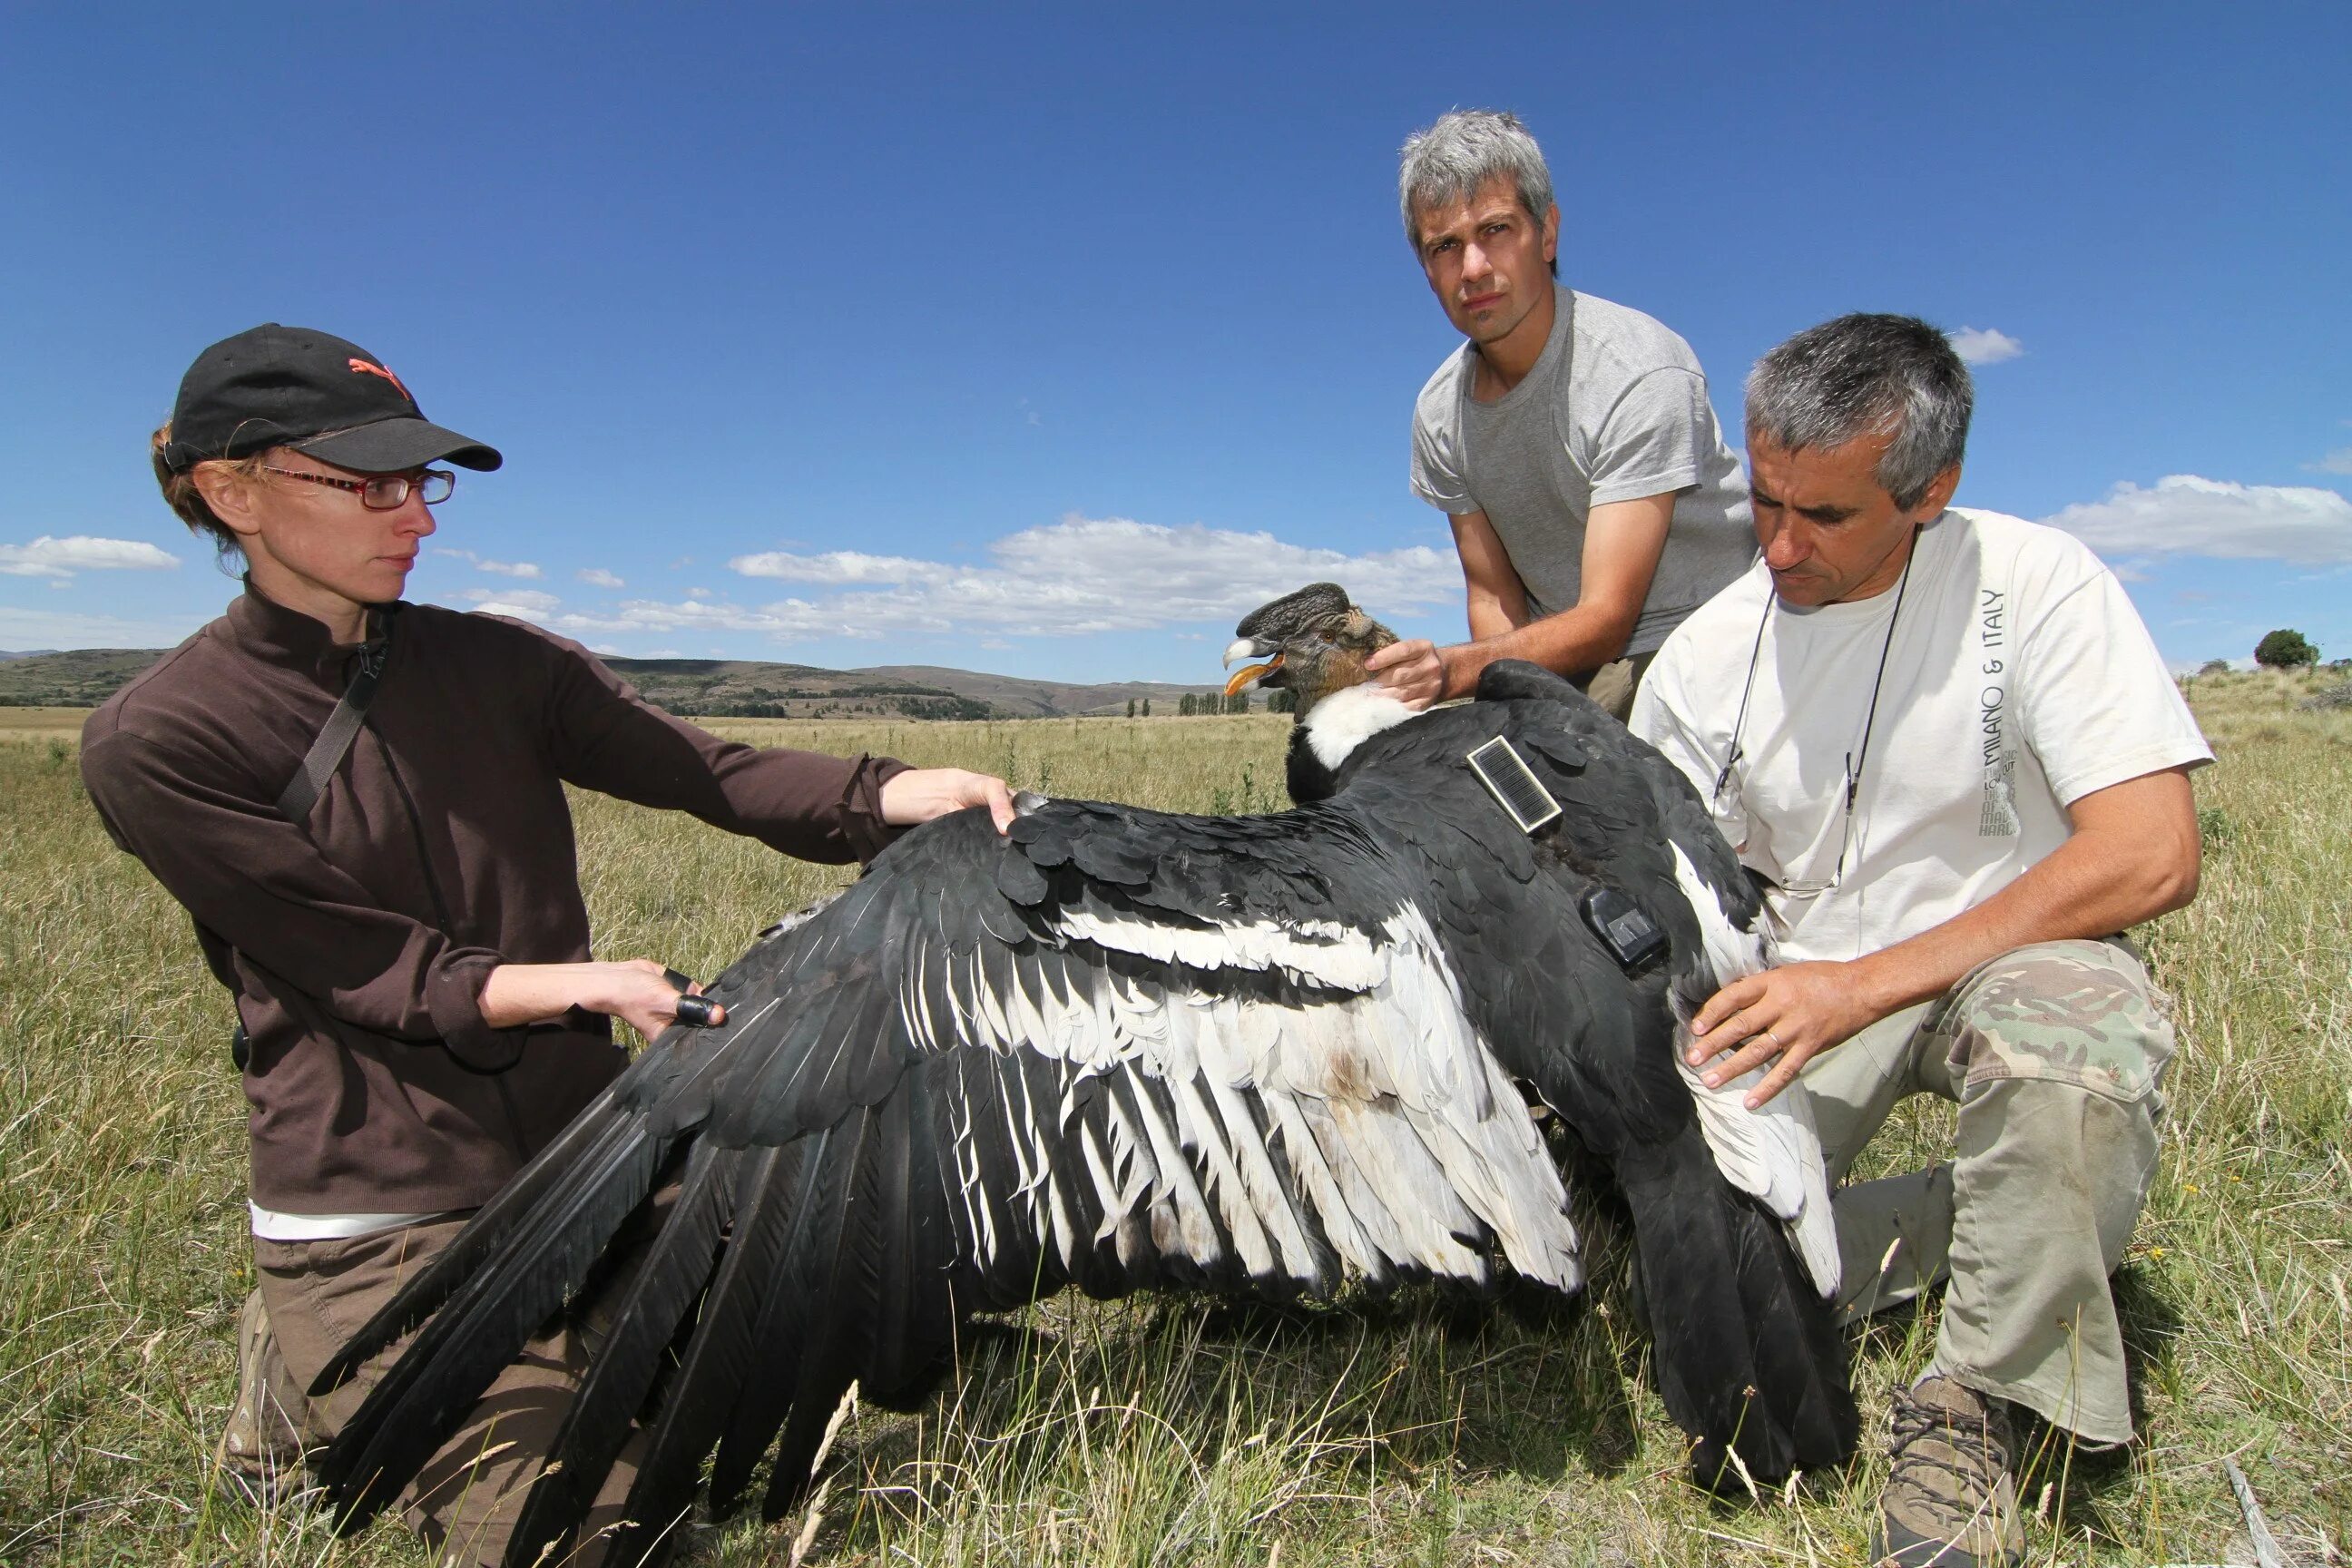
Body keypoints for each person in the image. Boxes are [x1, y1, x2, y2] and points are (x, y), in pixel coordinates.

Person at [81, 323, 1014, 1564]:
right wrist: (583, 985)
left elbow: (709, 771)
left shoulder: (499, 665)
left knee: (941, 1327)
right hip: (385, 1229)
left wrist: (895, 790)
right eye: (367, 484)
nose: (414, 515)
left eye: (424, 481)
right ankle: (319, 1361)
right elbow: (373, 968)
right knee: (600, 1534)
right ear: (229, 489)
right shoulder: (159, 738)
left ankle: (382, 1380)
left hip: (596, 1178)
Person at [1630, 314, 2209, 1568]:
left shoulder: (2037, 583)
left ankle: (1978, 1407)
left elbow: (2152, 852)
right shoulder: (1699, 658)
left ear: (1930, 492)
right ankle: (1997, 1234)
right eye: (1763, 503)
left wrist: (1868, 983)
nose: (1779, 547)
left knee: (2072, 1056)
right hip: (1792, 985)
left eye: (1825, 518)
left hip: (2012, 952)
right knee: (1657, 1275)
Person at [1367, 110, 1756, 720]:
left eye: (1496, 230)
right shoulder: (1441, 413)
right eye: (1445, 246)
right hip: (1562, 657)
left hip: (1698, 634)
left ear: (1547, 234)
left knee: (1593, 794)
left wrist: (1455, 670)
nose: (1472, 269)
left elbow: (1607, 618)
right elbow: (1493, 594)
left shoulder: (1636, 369)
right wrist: (1502, 693)